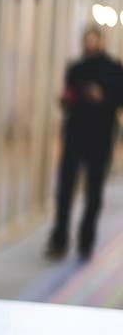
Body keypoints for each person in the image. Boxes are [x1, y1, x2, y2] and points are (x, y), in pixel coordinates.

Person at [47, 25, 123, 261]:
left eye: (93, 40)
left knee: (94, 193)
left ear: (100, 41)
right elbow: (68, 97)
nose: (89, 44)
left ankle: (86, 240)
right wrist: (67, 100)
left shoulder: (113, 69)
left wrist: (103, 97)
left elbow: (119, 100)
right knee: (64, 191)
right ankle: (59, 239)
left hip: (100, 138)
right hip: (75, 136)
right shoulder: (76, 68)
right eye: (86, 40)